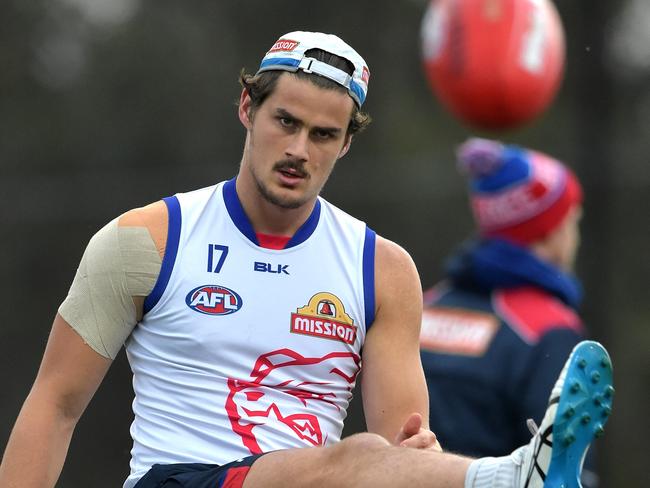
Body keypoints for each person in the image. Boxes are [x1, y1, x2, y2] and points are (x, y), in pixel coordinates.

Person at [0, 31, 613, 488]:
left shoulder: (383, 270)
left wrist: (416, 456)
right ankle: (507, 480)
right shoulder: (145, 241)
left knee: (382, 458)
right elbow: (55, 403)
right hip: (177, 479)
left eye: (322, 135)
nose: (297, 149)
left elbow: (403, 445)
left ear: (346, 142)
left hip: (308, 479)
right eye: (284, 121)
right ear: (247, 108)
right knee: (360, 456)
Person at [419, 138, 601, 484]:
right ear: (549, 232)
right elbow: (565, 469)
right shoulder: (548, 328)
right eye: (573, 220)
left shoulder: (422, 306)